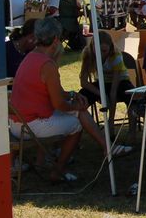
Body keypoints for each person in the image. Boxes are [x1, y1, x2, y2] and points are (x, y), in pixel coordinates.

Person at [9, 18, 131, 182]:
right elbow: (58, 104)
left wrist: (72, 96)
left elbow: (50, 91)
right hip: (30, 124)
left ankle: (107, 148)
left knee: (78, 112)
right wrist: (75, 105)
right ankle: (59, 170)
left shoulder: (31, 57)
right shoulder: (47, 65)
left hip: (18, 122)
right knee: (77, 123)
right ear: (56, 40)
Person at [79, 31, 134, 127]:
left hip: (120, 81)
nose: (101, 54)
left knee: (131, 97)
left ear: (110, 48)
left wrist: (110, 122)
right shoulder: (88, 54)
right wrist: (101, 94)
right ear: (93, 47)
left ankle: (132, 132)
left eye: (104, 51)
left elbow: (113, 90)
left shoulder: (116, 56)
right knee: (81, 96)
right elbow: (83, 82)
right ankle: (81, 125)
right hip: (101, 83)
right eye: (98, 50)